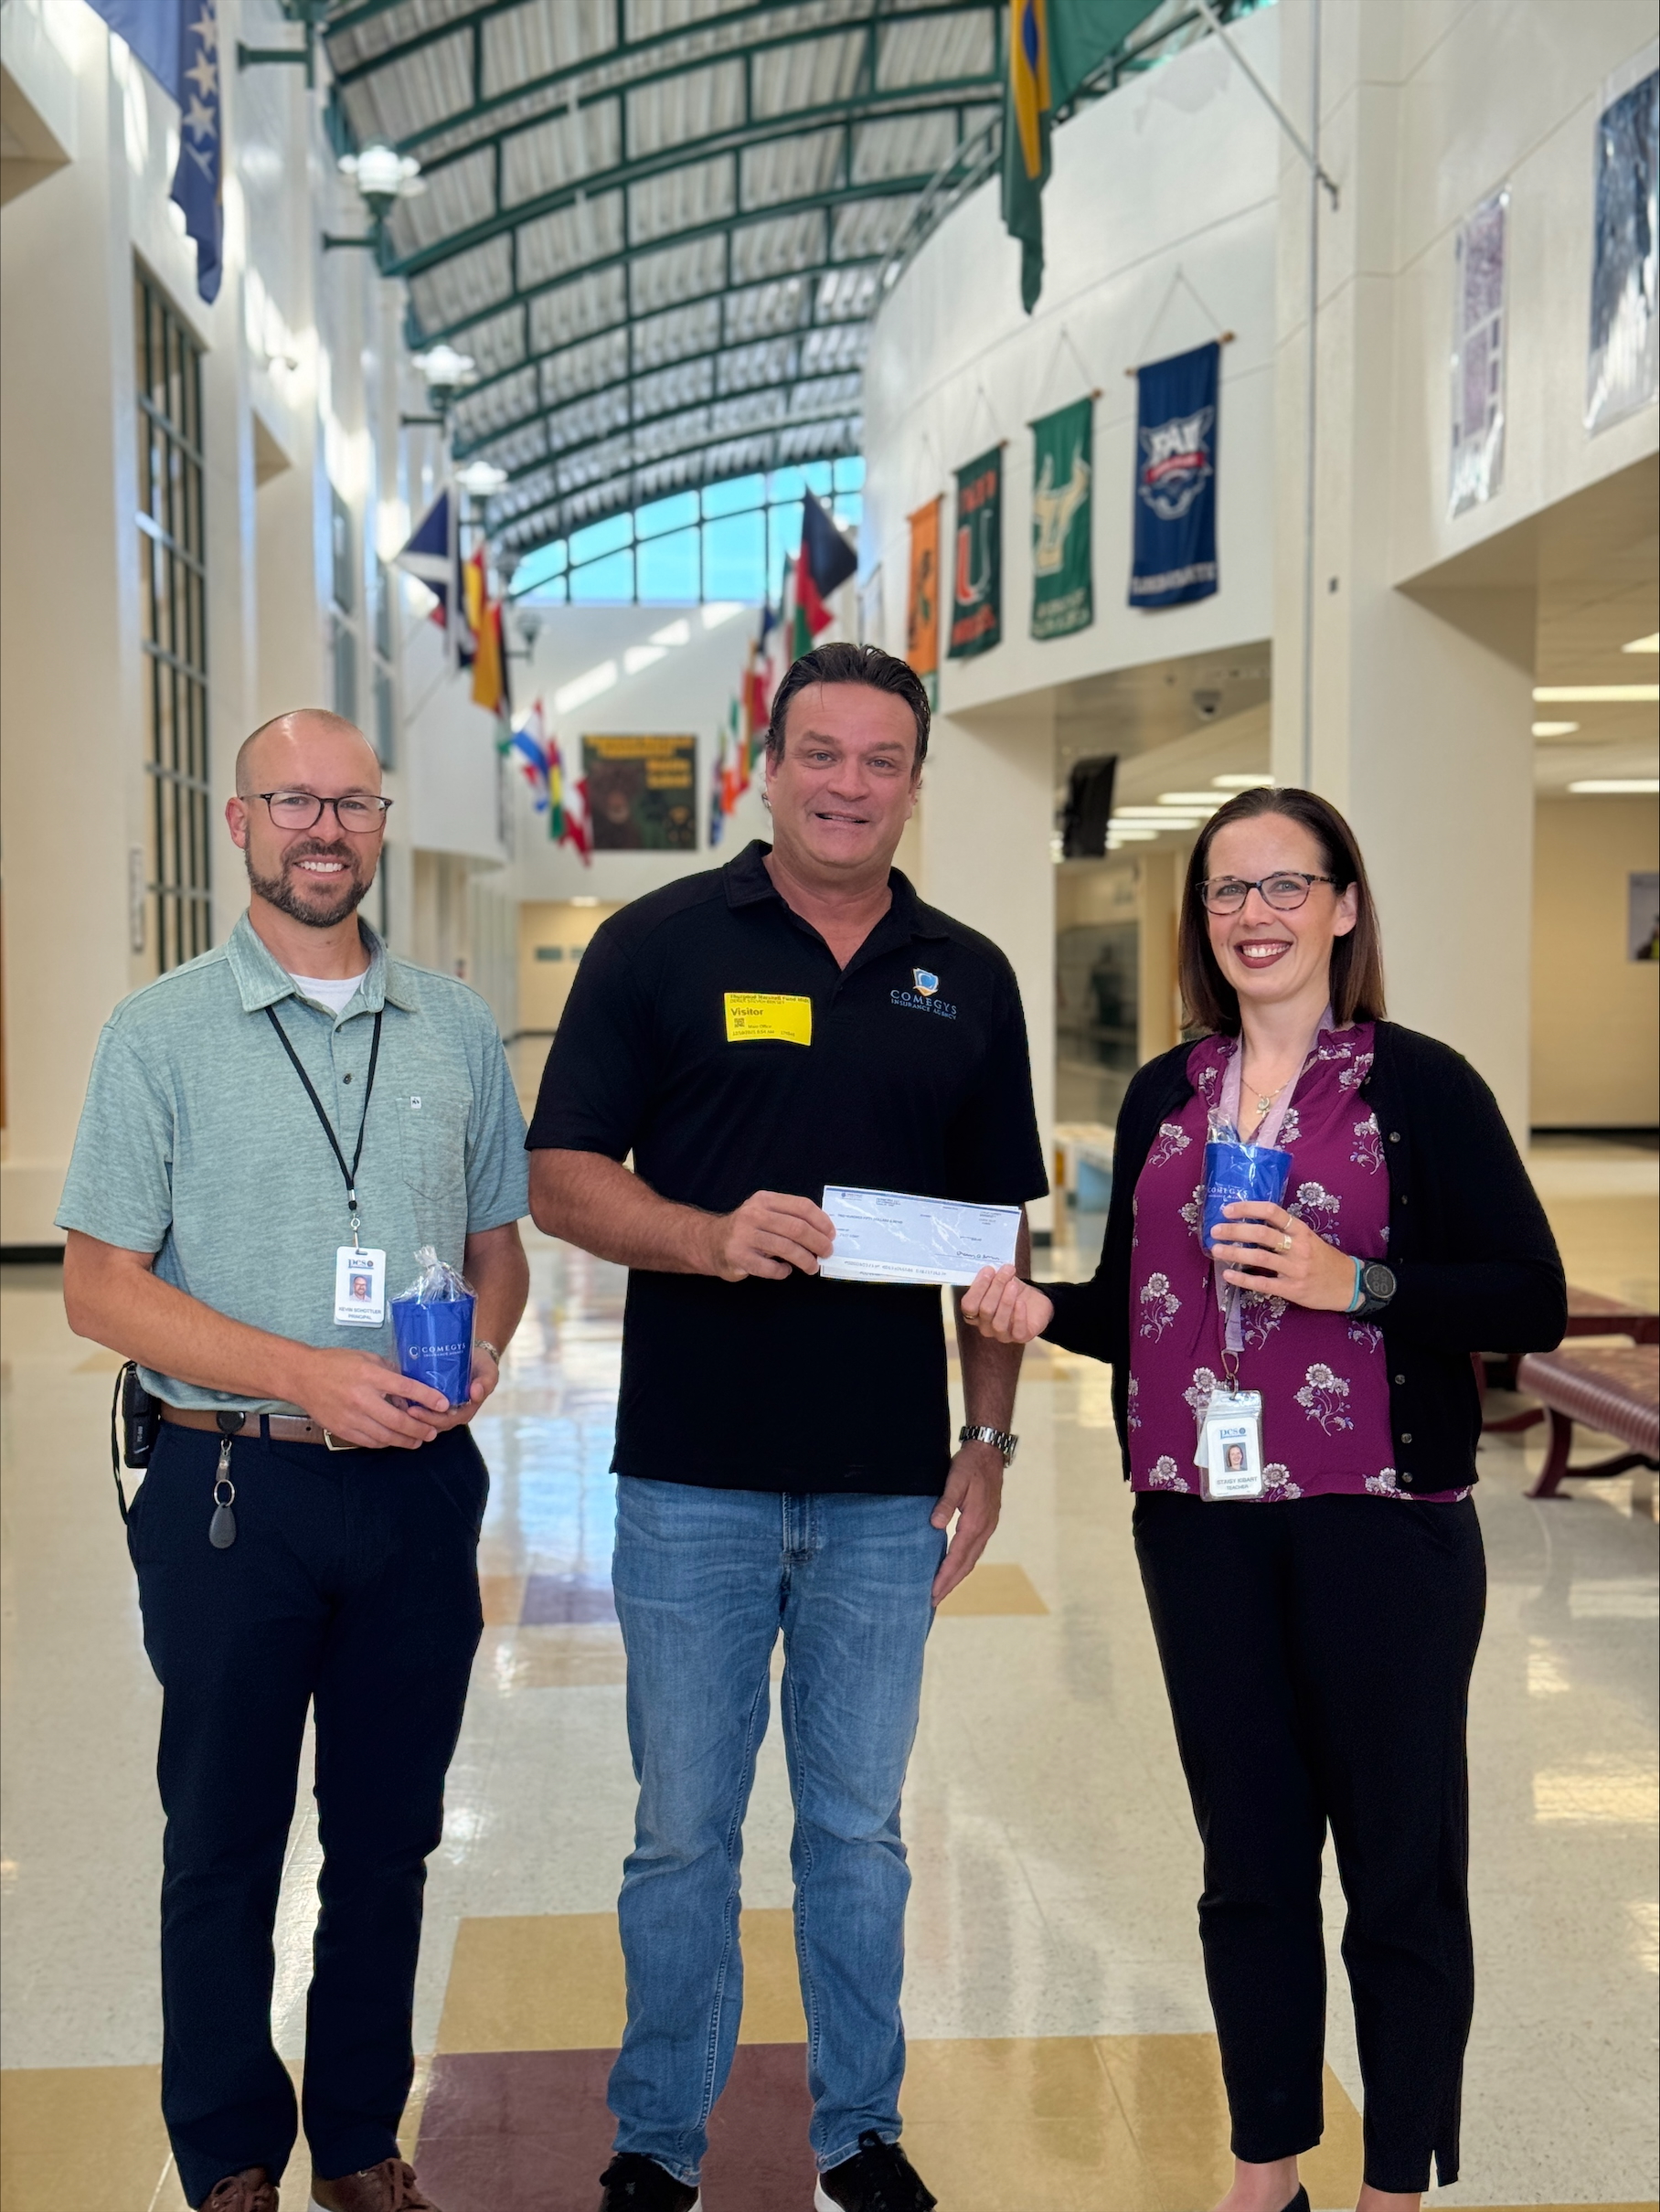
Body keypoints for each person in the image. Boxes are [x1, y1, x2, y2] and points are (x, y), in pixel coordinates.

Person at [962, 785, 1565, 2212]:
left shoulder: (1417, 1087)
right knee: (1247, 1863)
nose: (1256, 916)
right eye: (1229, 893)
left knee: (1399, 1869)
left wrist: (1353, 1283)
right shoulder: (1165, 1092)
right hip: (1200, 1521)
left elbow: (1528, 1298)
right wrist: (1039, 1308)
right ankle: (1265, 2165)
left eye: (1286, 886)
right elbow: (1141, 1303)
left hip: (1384, 1521)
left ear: (1344, 906)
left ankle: (1395, 2183)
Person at [527, 642, 1048, 2212]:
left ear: (913, 780)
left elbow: (991, 1243)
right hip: (692, 1472)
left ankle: (859, 2137)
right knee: (682, 1832)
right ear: (770, 760)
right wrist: (705, 1235)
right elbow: (561, 1174)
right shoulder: (659, 943)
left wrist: (989, 1441)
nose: (848, 785)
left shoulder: (967, 971)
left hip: (887, 1484)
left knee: (860, 1834)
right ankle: (658, 2142)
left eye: (881, 760)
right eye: (821, 753)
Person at [59, 709, 531, 2212]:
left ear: (381, 824)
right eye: (292, 802)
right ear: (237, 821)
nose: (322, 830)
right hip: (227, 1492)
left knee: (385, 1841)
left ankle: (360, 2138)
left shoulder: (454, 1026)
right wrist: (302, 1375)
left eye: (349, 804)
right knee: (223, 1840)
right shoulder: (158, 1034)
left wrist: (488, 1347)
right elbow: (98, 1285)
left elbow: (496, 1248)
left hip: (413, 1493)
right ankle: (227, 2152)